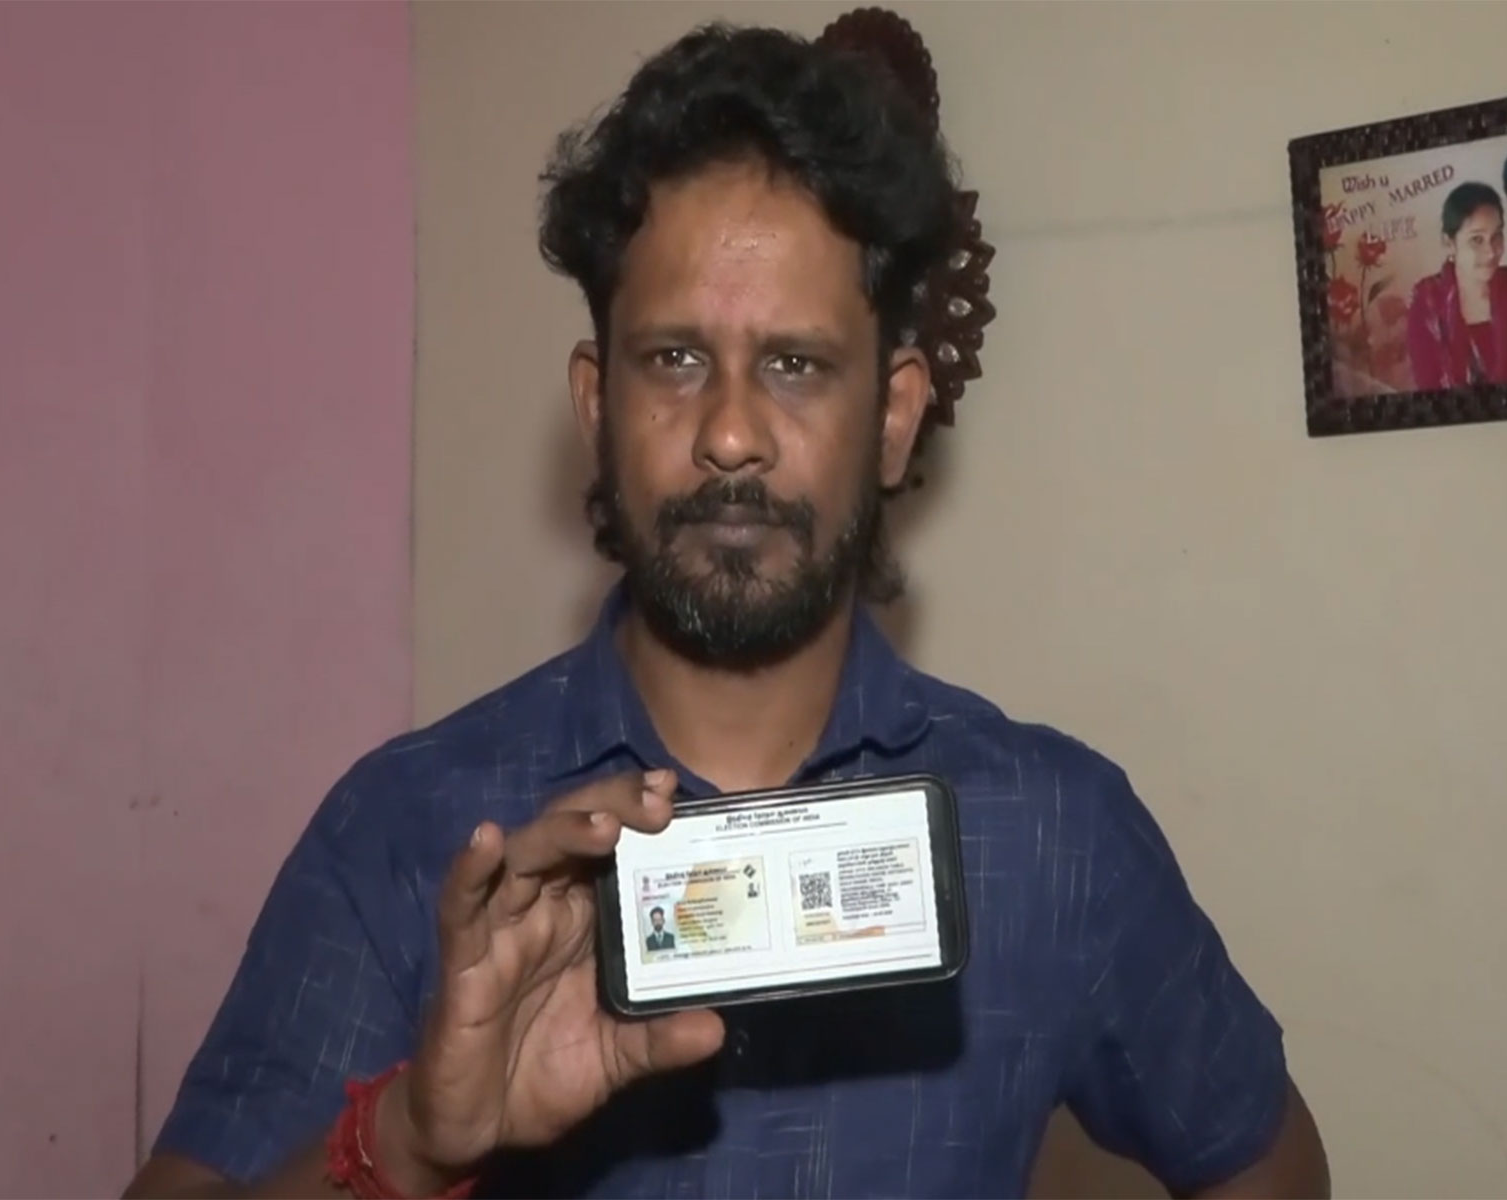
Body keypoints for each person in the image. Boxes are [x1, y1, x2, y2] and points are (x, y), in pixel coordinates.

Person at [125, 19, 1330, 1200]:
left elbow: (1268, 1163)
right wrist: (409, 1144)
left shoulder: (1057, 834)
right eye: (676, 361)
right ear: (597, 406)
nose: (732, 434)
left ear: (896, 414)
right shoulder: (412, 833)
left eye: (796, 364)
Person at [1406, 180, 1507, 390]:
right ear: (1449, 243)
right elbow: (1430, 391)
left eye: (1497, 236)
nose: (1491, 252)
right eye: (1476, 240)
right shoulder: (1427, 305)